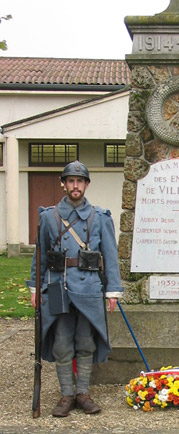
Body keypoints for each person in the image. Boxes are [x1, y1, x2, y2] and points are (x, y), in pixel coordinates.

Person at [28, 160, 123, 417]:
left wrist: (112, 290)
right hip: (58, 287)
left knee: (85, 342)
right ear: (64, 183)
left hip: (89, 288)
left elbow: (110, 256)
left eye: (80, 181)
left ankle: (83, 393)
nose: (75, 186)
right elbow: (41, 257)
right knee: (61, 343)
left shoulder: (100, 218)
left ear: (87, 184)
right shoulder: (48, 216)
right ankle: (66, 395)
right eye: (70, 181)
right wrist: (35, 288)